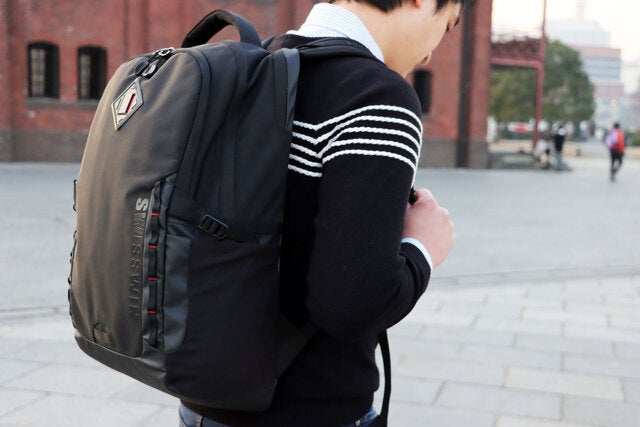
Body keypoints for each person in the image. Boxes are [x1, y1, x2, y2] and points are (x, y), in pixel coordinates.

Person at [179, 0, 459, 425]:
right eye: (446, 25)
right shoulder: (375, 95)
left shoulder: (256, 61)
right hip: (308, 407)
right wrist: (423, 248)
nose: (430, 54)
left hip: (204, 400)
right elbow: (352, 305)